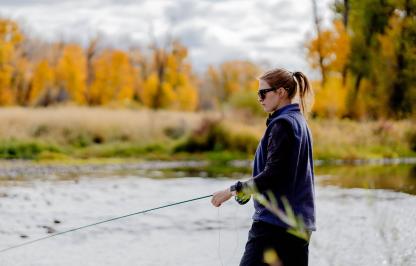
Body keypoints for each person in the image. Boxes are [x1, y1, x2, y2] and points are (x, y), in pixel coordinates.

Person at [211, 68, 316, 266]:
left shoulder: (282, 125)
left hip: (274, 226)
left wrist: (233, 190)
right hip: (300, 227)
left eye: (263, 93)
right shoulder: (299, 122)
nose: (259, 98)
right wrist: (249, 191)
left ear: (281, 92)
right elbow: (283, 176)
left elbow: (273, 175)